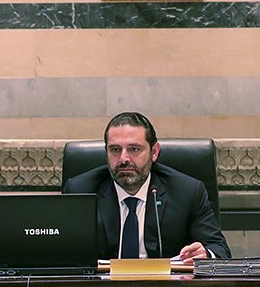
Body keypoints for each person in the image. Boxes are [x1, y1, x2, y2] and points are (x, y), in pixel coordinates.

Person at [63, 111, 229, 261]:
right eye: (115, 150)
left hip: (167, 284)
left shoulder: (187, 191)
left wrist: (206, 254)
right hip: (102, 284)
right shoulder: (80, 191)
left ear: (154, 152)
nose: (123, 159)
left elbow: (219, 249)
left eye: (134, 149)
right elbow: (61, 252)